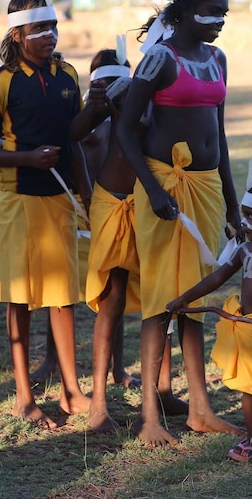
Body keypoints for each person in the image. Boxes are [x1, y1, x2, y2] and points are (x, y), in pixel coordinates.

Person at [116, 0, 243, 446]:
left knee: (195, 300)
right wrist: (151, 189)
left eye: (224, 13)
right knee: (161, 304)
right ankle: (149, 417)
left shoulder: (217, 61)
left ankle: (200, 409)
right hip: (164, 191)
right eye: (210, 12)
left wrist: (232, 204)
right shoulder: (159, 58)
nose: (218, 22)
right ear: (184, 10)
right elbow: (127, 131)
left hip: (207, 190)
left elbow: (221, 136)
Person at [0, 0, 93, 428]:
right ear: (18, 34)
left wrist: (86, 195)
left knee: (63, 297)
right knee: (19, 297)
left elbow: (75, 142)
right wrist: (27, 159)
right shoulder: (1, 81)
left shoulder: (68, 76)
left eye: (53, 26)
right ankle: (24, 396)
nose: (49, 35)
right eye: (38, 28)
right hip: (16, 201)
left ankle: (72, 391)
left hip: (61, 200)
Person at [71, 42, 187, 432]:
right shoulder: (100, 113)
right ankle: (98, 404)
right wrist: (95, 105)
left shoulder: (157, 90)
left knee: (162, 293)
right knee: (113, 296)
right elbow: (74, 136)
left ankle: (162, 391)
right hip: (112, 199)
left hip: (149, 199)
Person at [168, 178, 252, 464]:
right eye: (244, 215)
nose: (244, 223)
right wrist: (185, 299)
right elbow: (217, 278)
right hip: (246, 329)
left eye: (251, 217)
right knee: (249, 388)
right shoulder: (244, 251)